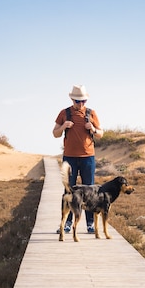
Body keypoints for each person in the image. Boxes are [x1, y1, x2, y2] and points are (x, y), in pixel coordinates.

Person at [53, 84, 103, 234]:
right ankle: (66, 224)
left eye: (83, 101)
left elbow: (101, 133)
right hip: (70, 158)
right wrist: (63, 127)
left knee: (90, 191)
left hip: (88, 157)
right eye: (77, 101)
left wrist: (93, 129)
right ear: (72, 99)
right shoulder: (64, 113)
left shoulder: (91, 113)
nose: (80, 104)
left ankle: (90, 224)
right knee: (69, 190)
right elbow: (55, 133)